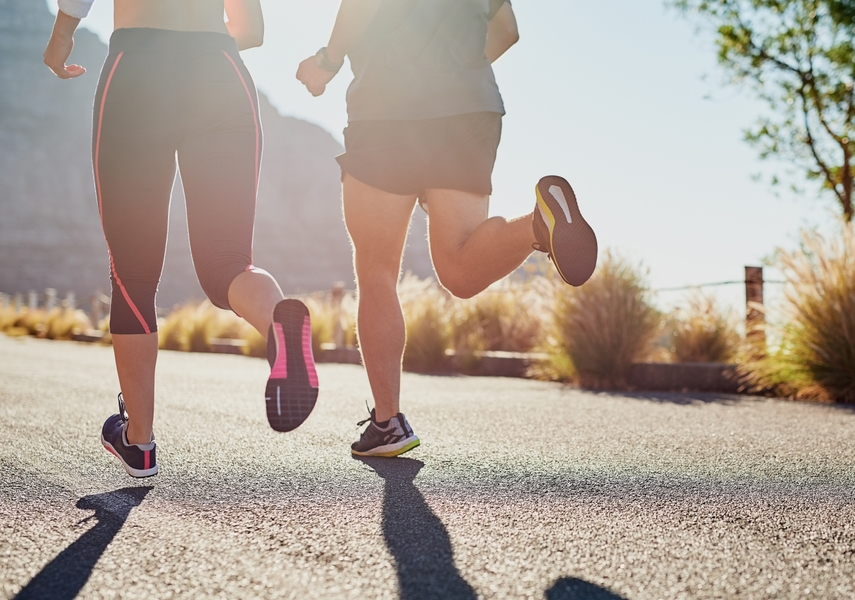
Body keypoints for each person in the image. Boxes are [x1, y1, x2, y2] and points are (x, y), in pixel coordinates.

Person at [296, 0, 598, 458]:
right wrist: (454, 79)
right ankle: (536, 227)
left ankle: (387, 423)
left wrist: (327, 62)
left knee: (377, 271)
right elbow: (506, 30)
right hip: (469, 110)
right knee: (459, 269)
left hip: (387, 111)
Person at [43, 0, 319, 478]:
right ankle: (278, 324)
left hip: (138, 70)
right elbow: (251, 29)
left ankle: (140, 443)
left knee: (133, 276)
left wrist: (63, 34)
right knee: (227, 264)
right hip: (220, 71)